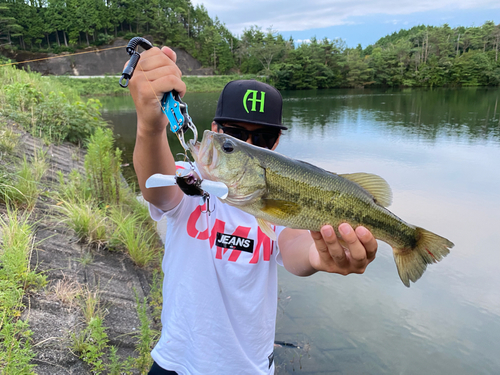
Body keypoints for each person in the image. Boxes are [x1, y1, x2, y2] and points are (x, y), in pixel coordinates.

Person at [128, 46, 378, 375]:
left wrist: (321, 257)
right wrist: (150, 127)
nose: (251, 144)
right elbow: (156, 189)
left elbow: (295, 247)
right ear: (215, 132)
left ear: (275, 145)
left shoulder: (279, 201)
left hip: (248, 368)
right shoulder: (187, 181)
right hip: (177, 361)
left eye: (262, 136)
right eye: (234, 137)